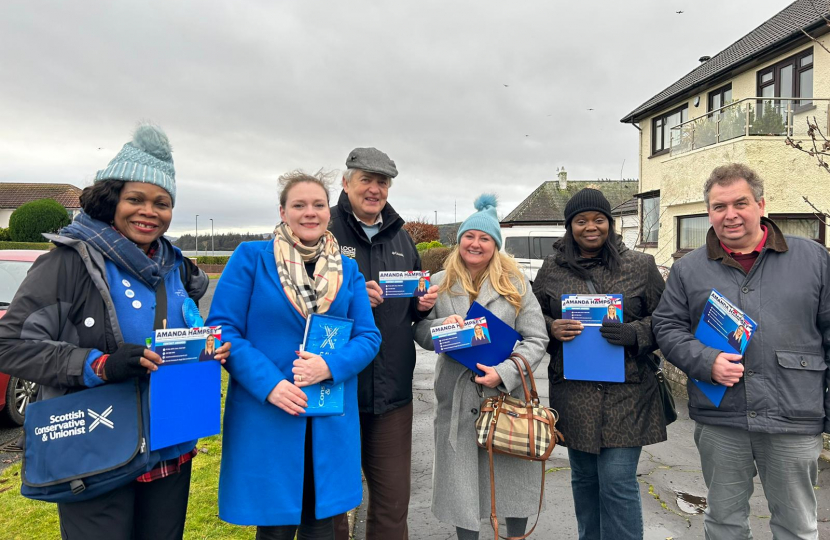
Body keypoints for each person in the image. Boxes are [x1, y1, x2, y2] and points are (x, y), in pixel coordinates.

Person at [0, 124, 229, 540]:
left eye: (162, 202)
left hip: (170, 444)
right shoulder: (67, 263)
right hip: (96, 445)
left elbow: (191, 327)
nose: (149, 211)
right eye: (135, 199)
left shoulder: (175, 266)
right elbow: (10, 344)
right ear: (112, 200)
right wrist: (99, 365)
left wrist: (206, 349)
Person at [652, 163, 830, 540]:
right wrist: (705, 361)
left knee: (796, 526)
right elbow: (666, 327)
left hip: (793, 416)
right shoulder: (689, 269)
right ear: (709, 213)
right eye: (719, 207)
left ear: (761, 205)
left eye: (740, 203)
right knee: (724, 523)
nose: (730, 214)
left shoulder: (813, 259)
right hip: (722, 419)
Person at [207, 170, 381, 540]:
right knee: (275, 529)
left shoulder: (347, 270)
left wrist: (330, 366)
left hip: (328, 416)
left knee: (321, 526)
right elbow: (223, 330)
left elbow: (368, 336)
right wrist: (270, 384)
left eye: (318, 204)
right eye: (299, 205)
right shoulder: (251, 258)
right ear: (283, 211)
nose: (309, 212)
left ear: (328, 212)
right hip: (269, 412)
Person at [532, 187, 666, 540]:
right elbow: (531, 317)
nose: (591, 227)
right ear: (569, 226)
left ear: (609, 222)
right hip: (574, 394)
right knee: (585, 481)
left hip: (627, 395)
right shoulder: (552, 269)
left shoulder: (640, 266)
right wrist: (551, 327)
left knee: (618, 482)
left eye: (598, 219)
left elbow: (668, 321)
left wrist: (635, 333)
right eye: (581, 220)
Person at [413, 194, 549, 539]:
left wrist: (503, 373)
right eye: (469, 236)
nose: (476, 244)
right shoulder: (438, 281)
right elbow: (420, 332)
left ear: (495, 245)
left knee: (513, 485)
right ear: (459, 241)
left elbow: (537, 340)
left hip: (506, 400)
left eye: (485, 238)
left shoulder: (516, 283)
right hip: (457, 403)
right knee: (463, 493)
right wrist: (446, 330)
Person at [328, 147, 437, 540]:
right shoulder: (323, 229)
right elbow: (297, 303)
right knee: (334, 504)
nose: (374, 189)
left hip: (391, 395)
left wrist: (424, 305)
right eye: (365, 180)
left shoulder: (403, 240)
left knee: (393, 506)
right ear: (346, 183)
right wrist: (350, 296)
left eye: (382, 182)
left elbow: (415, 313)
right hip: (335, 389)